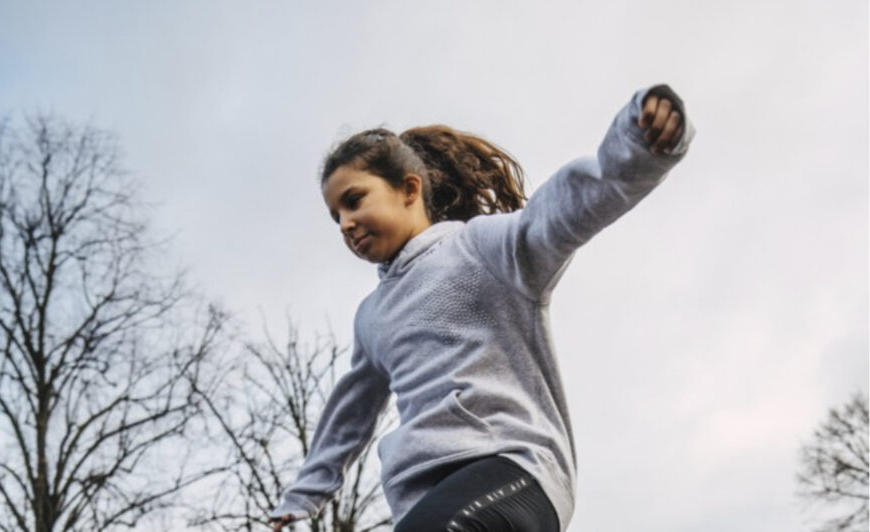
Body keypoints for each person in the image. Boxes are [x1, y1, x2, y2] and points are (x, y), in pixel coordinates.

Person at [268, 83, 696, 531]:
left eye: (354, 201)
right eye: (336, 216)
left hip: (512, 465)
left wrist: (637, 147)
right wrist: (303, 495)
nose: (345, 223)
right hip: (424, 499)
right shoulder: (371, 317)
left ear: (409, 189)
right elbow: (351, 411)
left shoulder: (478, 249)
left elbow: (563, 211)